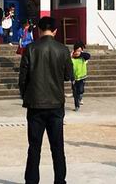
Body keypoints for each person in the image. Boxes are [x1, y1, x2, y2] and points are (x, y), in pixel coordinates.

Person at [18, 16, 73, 184]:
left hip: (35, 104)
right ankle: (60, 181)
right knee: (57, 147)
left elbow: (22, 79)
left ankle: (32, 181)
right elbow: (68, 75)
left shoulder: (30, 49)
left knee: (34, 147)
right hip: (56, 104)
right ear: (55, 31)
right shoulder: (63, 50)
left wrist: (26, 96)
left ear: (39, 30)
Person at [71, 41, 91, 112]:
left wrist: (81, 53)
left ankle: (80, 98)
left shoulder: (83, 57)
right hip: (74, 78)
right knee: (75, 92)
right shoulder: (71, 58)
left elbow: (88, 56)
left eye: (80, 51)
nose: (78, 52)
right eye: (77, 50)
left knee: (80, 90)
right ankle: (77, 105)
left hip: (82, 77)